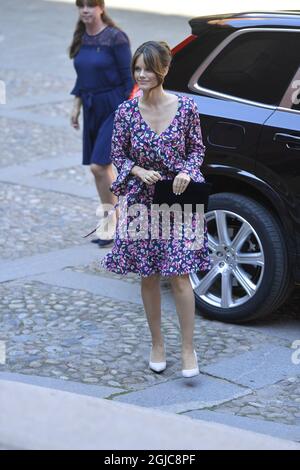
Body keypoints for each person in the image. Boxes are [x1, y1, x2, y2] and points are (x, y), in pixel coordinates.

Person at [102, 41, 211, 377]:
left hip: (178, 199)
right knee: (148, 276)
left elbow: (197, 150)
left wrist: (185, 172)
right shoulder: (126, 112)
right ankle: (157, 343)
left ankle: (188, 349)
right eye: (137, 68)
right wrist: (136, 170)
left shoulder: (187, 107)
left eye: (148, 68)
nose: (142, 74)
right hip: (141, 203)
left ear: (163, 69)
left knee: (180, 276)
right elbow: (118, 155)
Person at [69, 0, 133, 247]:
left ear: (101, 8)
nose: (86, 10)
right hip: (91, 106)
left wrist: (124, 113)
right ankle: (112, 222)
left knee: (99, 166)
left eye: (91, 5)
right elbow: (82, 76)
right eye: (81, 5)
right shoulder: (82, 36)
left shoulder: (116, 38)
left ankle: (114, 223)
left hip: (113, 106)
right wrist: (76, 106)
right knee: (101, 170)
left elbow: (129, 81)